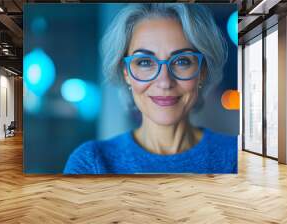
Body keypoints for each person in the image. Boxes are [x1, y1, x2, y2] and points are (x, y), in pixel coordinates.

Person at [64, 3, 237, 174]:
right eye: (145, 62)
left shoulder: (237, 158)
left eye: (182, 61)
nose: (164, 82)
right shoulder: (92, 163)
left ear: (202, 72)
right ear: (126, 74)